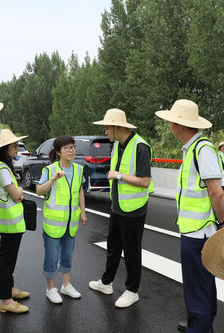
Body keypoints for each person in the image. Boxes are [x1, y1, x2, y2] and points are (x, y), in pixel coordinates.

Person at [155, 99, 224, 333]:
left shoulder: (203, 150)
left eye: (172, 121)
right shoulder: (193, 149)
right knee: (198, 285)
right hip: (192, 230)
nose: (169, 125)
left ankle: (200, 327)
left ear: (181, 125)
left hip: (200, 233)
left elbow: (216, 193)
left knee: (199, 287)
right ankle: (199, 323)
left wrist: (222, 223)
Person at [89, 108, 153, 308]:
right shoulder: (118, 145)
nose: (106, 132)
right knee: (113, 246)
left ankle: (132, 291)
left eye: (108, 127)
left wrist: (117, 175)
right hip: (117, 206)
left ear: (117, 127)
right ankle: (106, 283)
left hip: (133, 208)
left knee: (132, 251)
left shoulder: (140, 147)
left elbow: (144, 182)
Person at [36, 135, 87, 304]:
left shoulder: (79, 169)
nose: (71, 150)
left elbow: (80, 191)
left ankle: (66, 285)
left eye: (72, 147)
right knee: (51, 256)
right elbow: (39, 191)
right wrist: (53, 179)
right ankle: (51, 288)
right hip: (53, 223)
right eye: (66, 148)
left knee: (67, 255)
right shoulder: (49, 170)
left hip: (71, 222)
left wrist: (83, 213)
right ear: (58, 152)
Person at [0, 129, 30, 314]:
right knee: (7, 261)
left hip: (4, 222)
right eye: (14, 146)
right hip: (11, 223)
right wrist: (20, 190)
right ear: (4, 149)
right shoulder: (3, 169)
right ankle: (6, 300)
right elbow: (15, 195)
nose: (17, 148)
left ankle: (9, 290)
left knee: (7, 260)